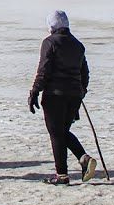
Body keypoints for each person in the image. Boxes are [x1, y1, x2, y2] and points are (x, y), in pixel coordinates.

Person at [28, 10, 97, 185]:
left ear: (51, 26)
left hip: (54, 95)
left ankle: (63, 175)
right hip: (73, 96)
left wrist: (34, 92)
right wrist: (81, 91)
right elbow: (85, 72)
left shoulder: (50, 42)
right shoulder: (78, 45)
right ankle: (83, 159)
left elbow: (43, 70)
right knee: (62, 132)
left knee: (56, 133)